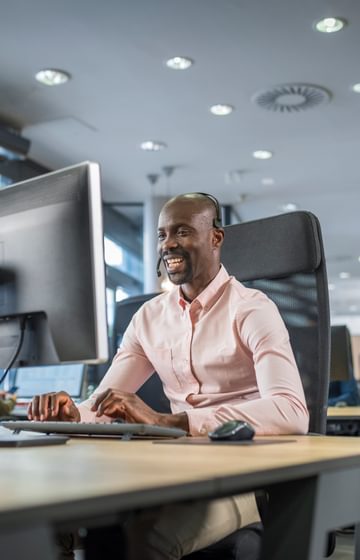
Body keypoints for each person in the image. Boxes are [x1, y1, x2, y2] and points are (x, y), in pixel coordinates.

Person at [29, 193, 309, 559]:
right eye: (162, 235)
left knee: (143, 541)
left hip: (242, 478)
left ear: (215, 237)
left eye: (182, 232)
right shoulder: (149, 317)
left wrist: (172, 420)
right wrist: (75, 415)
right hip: (169, 469)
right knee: (47, 524)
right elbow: (105, 402)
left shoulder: (253, 309)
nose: (168, 244)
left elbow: (291, 411)